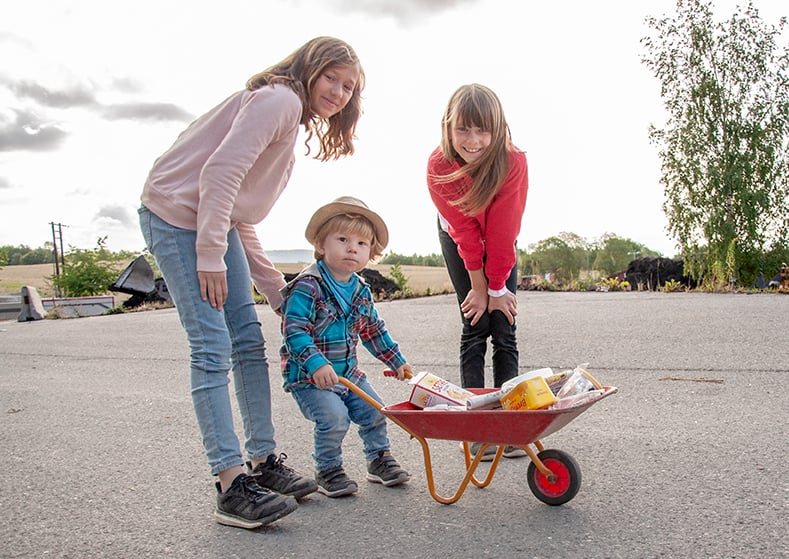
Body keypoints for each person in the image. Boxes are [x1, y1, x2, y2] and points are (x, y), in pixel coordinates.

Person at [138, 37, 365, 529]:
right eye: (331, 77)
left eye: (349, 87)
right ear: (309, 68)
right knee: (212, 346)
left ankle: (262, 463)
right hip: (178, 216)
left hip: (212, 220)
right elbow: (219, 174)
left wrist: (276, 291)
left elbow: (239, 215)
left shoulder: (287, 112)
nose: (339, 92)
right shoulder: (280, 100)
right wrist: (208, 254)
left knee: (249, 340)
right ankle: (230, 484)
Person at [280, 196, 412, 498]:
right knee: (334, 418)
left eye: (362, 243)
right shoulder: (308, 285)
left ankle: (379, 459)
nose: (352, 248)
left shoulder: (360, 290)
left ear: (370, 253)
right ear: (321, 245)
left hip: (348, 374)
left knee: (377, 411)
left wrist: (397, 361)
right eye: (342, 239)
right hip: (311, 378)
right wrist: (316, 364)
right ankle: (328, 469)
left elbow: (373, 329)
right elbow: (295, 330)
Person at [426, 84, 529, 460]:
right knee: (476, 322)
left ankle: (509, 424)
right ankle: (478, 428)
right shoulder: (439, 165)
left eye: (483, 130)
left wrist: (498, 287)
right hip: (458, 237)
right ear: (448, 127)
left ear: (498, 128)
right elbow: (466, 233)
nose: (473, 141)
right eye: (463, 129)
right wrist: (478, 287)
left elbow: (502, 234)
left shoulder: (513, 161)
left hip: (500, 238)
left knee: (504, 323)